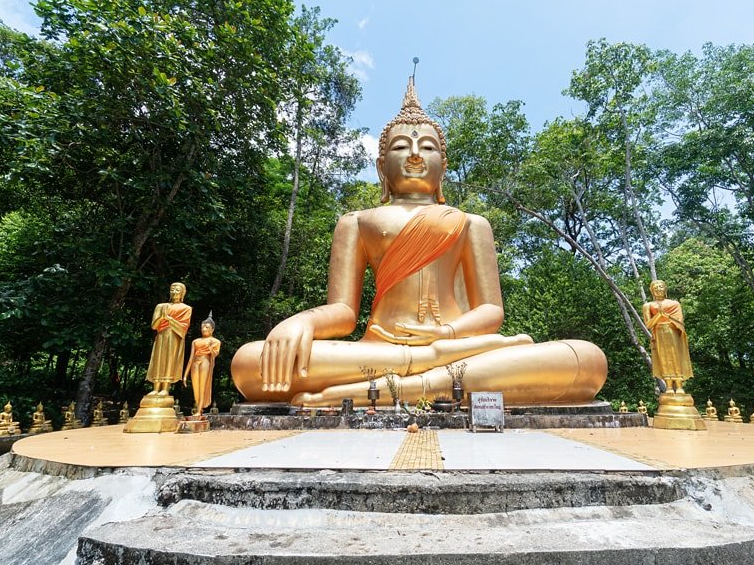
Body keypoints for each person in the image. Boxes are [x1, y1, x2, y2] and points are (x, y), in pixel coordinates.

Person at [231, 77, 607, 407]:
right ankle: (429, 379)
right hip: (381, 350)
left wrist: (444, 337)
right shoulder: (357, 222)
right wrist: (303, 321)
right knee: (250, 363)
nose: (414, 154)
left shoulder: (471, 223)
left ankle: (412, 386)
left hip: (456, 347)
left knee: (588, 360)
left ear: (443, 165)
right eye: (400, 148)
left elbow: (491, 311)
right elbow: (344, 313)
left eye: (427, 147)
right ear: (381, 166)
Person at [642, 280, 693, 393]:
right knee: (663, 358)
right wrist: (658, 316)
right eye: (656, 288)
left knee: (675, 357)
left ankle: (679, 385)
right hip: (659, 334)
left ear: (665, 289)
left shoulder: (674, 304)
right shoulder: (648, 306)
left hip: (672, 332)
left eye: (661, 287)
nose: (658, 289)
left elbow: (680, 322)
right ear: (652, 291)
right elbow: (649, 324)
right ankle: (669, 385)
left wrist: (667, 316)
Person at [146, 282, 192, 395]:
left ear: (182, 293)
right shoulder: (161, 306)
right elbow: (154, 326)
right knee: (158, 360)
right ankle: (155, 388)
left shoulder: (186, 308)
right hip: (161, 336)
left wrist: (169, 319)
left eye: (177, 290)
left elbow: (183, 328)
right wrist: (162, 318)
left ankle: (166, 388)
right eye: (172, 289)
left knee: (170, 360)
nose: (174, 292)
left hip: (174, 337)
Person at [183, 313, 221, 416]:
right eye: (203, 326)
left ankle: (199, 411)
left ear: (212, 330)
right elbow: (191, 358)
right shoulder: (195, 341)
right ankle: (198, 408)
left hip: (205, 362)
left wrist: (210, 349)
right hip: (195, 362)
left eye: (207, 327)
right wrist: (185, 375)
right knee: (196, 387)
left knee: (203, 386)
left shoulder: (215, 341)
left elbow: (214, 355)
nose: (204, 328)